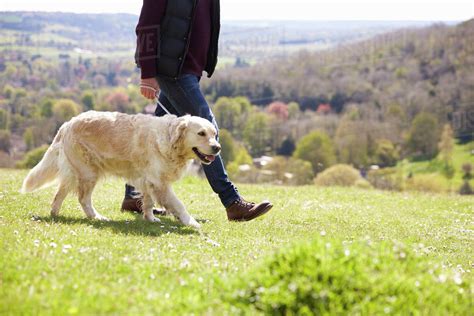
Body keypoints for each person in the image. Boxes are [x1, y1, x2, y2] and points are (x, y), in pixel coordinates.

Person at [122, 0, 273, 221]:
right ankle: (232, 202)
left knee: (153, 136)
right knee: (207, 128)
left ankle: (133, 197)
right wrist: (147, 72)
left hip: (189, 70)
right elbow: (146, 24)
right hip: (172, 70)